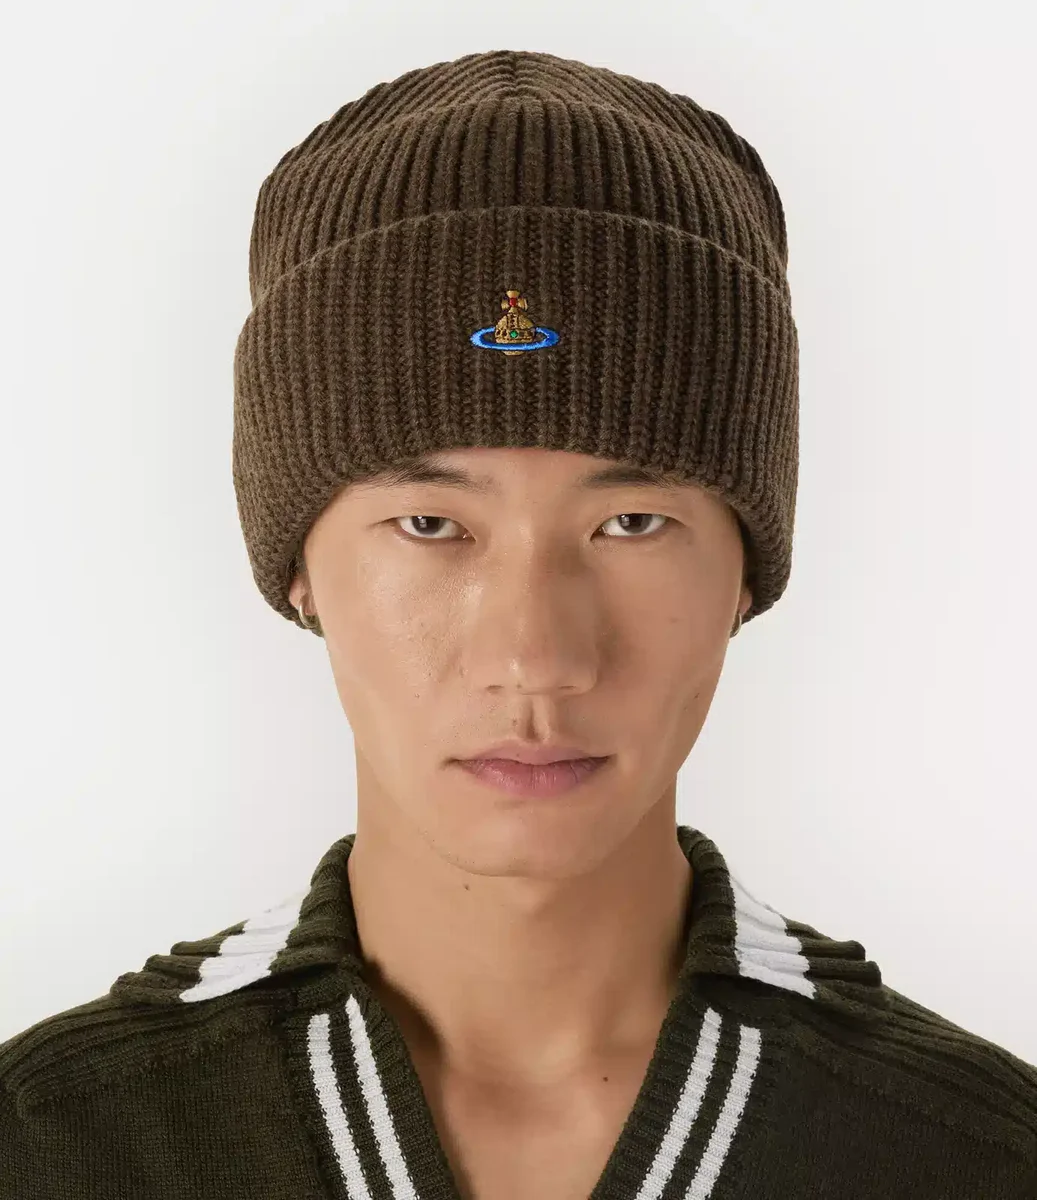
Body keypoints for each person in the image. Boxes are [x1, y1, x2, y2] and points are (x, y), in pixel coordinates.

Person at [2, 47, 1035, 1200]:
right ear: (298, 571)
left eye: (631, 522)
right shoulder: (56, 1148)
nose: (534, 658)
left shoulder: (972, 1156)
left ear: (746, 569)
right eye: (430, 525)